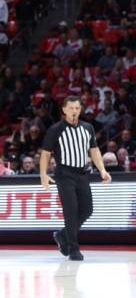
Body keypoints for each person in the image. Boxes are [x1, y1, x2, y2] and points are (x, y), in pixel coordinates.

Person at [40, 96, 112, 261]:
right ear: (64, 109)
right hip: (64, 174)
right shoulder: (55, 129)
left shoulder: (88, 128)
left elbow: (94, 150)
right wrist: (43, 174)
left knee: (87, 209)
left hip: (82, 174)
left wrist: (102, 170)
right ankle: (73, 248)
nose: (74, 111)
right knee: (71, 211)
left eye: (77, 108)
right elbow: (45, 153)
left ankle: (62, 235)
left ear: (81, 110)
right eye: (71, 108)